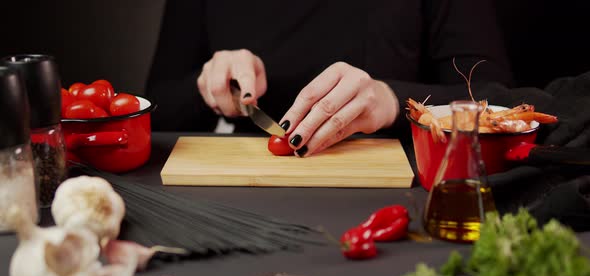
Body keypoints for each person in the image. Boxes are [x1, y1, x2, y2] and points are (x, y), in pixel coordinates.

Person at [146, 0, 513, 157]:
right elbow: (157, 109)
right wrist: (208, 84)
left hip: (399, 195)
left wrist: (392, 101)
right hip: (248, 197)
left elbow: (499, 104)